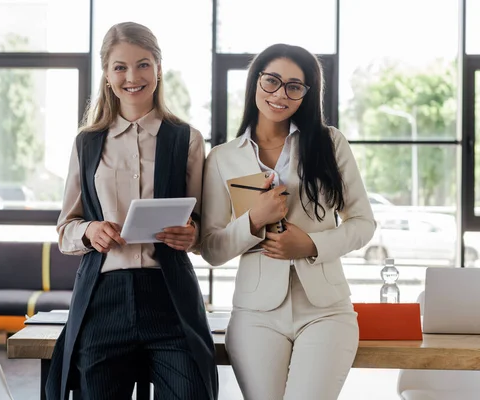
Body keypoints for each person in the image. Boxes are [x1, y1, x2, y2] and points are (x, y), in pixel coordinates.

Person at [45, 21, 218, 400]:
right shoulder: (87, 143)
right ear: (107, 75)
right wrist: (90, 231)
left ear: (158, 68)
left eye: (143, 64)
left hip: (169, 295)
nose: (132, 77)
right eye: (120, 67)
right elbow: (66, 229)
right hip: (103, 298)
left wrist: (191, 232)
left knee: (193, 392)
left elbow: (202, 223)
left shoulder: (186, 138)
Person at [200, 43, 376, 400]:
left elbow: (362, 222)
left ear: (306, 94)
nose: (281, 94)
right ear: (255, 83)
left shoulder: (330, 143)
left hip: (326, 311)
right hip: (255, 314)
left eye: (294, 86)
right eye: (272, 81)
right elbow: (212, 249)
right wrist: (253, 220)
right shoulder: (222, 158)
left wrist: (312, 245)